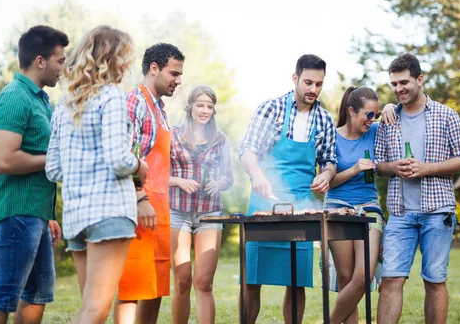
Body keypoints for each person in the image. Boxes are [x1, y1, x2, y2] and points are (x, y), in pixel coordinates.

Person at [45, 25, 149, 324]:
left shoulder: (65, 105)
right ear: (115, 58)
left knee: (91, 310)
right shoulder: (112, 97)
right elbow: (118, 159)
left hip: (77, 218)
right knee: (95, 311)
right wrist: (139, 166)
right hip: (109, 214)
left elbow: (54, 169)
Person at [0, 25, 68, 324]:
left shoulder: (39, 100)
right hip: (13, 212)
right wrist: (55, 159)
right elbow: (4, 160)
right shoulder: (15, 97)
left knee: (38, 291)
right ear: (40, 61)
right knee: (3, 293)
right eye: (60, 60)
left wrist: (47, 214)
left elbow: (35, 154)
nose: (63, 68)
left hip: (34, 213)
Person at [375, 53, 460, 324]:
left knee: (434, 279)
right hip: (400, 212)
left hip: (437, 212)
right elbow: (378, 165)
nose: (399, 89)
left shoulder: (446, 115)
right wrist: (394, 167)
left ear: (420, 79)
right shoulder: (388, 119)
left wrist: (426, 168)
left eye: (404, 82)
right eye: (394, 84)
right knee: (391, 278)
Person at [240, 54, 337, 324]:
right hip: (263, 204)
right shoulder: (271, 109)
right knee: (252, 279)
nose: (313, 90)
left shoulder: (325, 119)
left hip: (302, 207)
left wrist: (326, 175)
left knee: (296, 282)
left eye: (319, 84)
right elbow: (247, 150)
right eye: (308, 82)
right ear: (295, 78)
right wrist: (257, 174)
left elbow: (330, 161)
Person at [115, 42, 185, 324]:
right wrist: (140, 197)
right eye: (173, 73)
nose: (178, 80)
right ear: (154, 68)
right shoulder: (135, 101)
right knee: (131, 287)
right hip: (139, 207)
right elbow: (127, 153)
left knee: (155, 286)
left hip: (160, 209)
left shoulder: (161, 109)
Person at [324, 86, 395, 324]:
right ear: (352, 111)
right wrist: (354, 169)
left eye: (375, 114)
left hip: (369, 208)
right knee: (345, 277)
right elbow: (328, 182)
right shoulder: (331, 136)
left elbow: (401, 114)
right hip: (337, 207)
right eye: (368, 114)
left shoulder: (374, 130)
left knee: (363, 276)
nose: (371, 119)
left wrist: (388, 107)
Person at [169, 85, 234, 324]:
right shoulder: (173, 135)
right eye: (200, 105)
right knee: (182, 280)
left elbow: (229, 177)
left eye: (209, 106)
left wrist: (220, 183)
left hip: (210, 214)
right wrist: (179, 180)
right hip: (178, 212)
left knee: (204, 282)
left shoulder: (220, 139)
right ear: (190, 108)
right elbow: (157, 174)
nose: (205, 110)